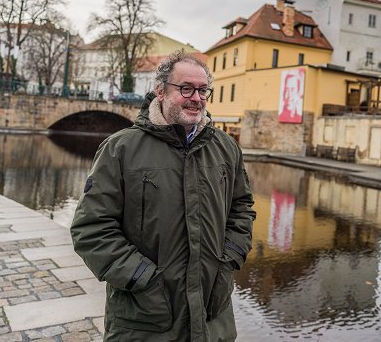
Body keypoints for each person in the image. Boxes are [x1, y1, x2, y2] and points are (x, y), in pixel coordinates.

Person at [71, 50, 256, 341]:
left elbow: (241, 209)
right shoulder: (121, 149)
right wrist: (141, 277)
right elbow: (91, 229)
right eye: (185, 88)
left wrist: (228, 259)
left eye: (203, 90)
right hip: (144, 321)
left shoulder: (225, 148)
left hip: (212, 316)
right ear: (160, 91)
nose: (196, 97)